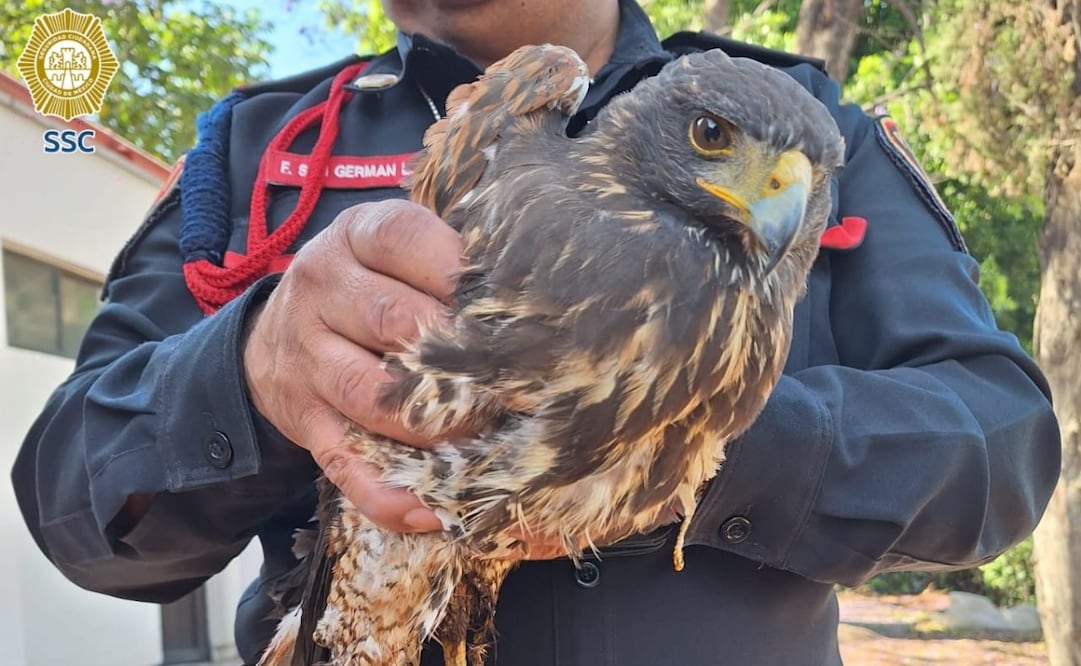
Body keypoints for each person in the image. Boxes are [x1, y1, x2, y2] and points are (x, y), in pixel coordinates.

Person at [12, 1, 1061, 664]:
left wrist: (676, 434)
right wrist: (249, 370)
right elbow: (68, 502)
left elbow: (1002, 449)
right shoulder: (260, 146)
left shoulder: (794, 128)